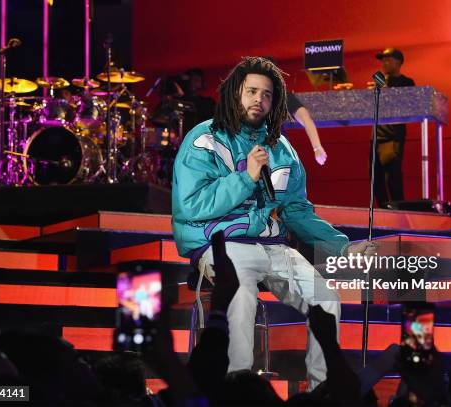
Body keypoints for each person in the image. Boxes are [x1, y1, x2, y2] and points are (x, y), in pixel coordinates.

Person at [171, 56, 353, 390]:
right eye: (252, 91)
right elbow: (192, 205)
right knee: (240, 295)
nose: (259, 99)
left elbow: (297, 211)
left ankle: (322, 391)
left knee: (326, 298)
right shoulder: (204, 138)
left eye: (267, 94)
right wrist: (245, 178)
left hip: (272, 246)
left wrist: (343, 247)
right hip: (221, 243)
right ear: (234, 94)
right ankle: (235, 386)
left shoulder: (282, 149)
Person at [368, 48, 415, 208]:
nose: (384, 63)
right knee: (375, 178)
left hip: (393, 137)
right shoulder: (379, 80)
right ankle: (382, 210)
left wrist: (386, 91)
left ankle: (399, 211)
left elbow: (409, 105)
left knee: (392, 176)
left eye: (388, 60)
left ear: (398, 62)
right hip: (377, 136)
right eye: (383, 60)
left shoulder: (406, 82)